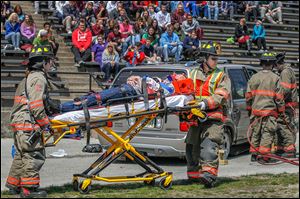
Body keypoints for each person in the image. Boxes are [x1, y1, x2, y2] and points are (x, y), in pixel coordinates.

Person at [5, 46, 57, 198]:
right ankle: (29, 189)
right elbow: (35, 105)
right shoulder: (38, 78)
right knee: (33, 154)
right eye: (50, 60)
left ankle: (14, 185)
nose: (52, 63)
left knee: (22, 154)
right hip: (27, 122)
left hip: (20, 122)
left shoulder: (29, 77)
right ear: (43, 63)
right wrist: (46, 124)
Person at [186, 41, 231, 188]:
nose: (216, 61)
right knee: (191, 146)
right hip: (196, 117)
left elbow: (221, 95)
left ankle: (209, 176)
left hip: (213, 118)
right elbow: (187, 92)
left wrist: (205, 103)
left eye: (217, 59)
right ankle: (193, 176)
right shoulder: (192, 74)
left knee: (209, 144)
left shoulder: (221, 76)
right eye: (213, 58)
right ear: (204, 58)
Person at [59, 73, 193, 113]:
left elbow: (152, 94)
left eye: (180, 75)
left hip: (129, 92)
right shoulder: (166, 82)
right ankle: (66, 105)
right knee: (94, 97)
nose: (177, 74)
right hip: (128, 88)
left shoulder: (170, 90)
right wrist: (136, 78)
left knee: (96, 99)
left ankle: (61, 107)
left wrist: (141, 82)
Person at [245, 52, 285, 163]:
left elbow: (248, 96)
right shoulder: (276, 78)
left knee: (256, 132)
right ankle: (263, 156)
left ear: (261, 63)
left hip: (256, 111)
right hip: (269, 112)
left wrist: (249, 109)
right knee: (267, 133)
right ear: (272, 64)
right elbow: (279, 98)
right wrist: (281, 110)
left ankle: (254, 154)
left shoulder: (253, 77)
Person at [274, 52, 298, 158]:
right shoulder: (288, 70)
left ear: (279, 63)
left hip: (287, 105)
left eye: (275, 65)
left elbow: (285, 90)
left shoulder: (285, 72)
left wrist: (276, 96)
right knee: (284, 125)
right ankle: (282, 148)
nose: (275, 68)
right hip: (289, 104)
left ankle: (289, 149)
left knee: (284, 125)